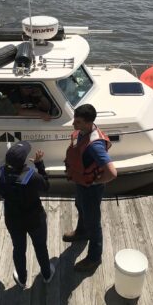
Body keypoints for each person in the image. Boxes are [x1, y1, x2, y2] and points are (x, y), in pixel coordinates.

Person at [63, 104, 117, 272]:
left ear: (88, 123)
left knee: (94, 223)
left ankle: (94, 258)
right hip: (82, 183)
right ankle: (81, 232)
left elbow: (112, 173)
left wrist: (96, 182)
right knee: (80, 206)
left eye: (77, 122)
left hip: (90, 188)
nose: (73, 124)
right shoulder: (84, 131)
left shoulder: (95, 145)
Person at [0, 141, 55, 288]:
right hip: (34, 219)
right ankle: (47, 274)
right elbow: (46, 186)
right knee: (40, 247)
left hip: (13, 219)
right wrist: (40, 164)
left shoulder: (0, 173)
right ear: (22, 162)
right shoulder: (31, 176)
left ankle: (22, 279)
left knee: (19, 249)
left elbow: (2, 191)